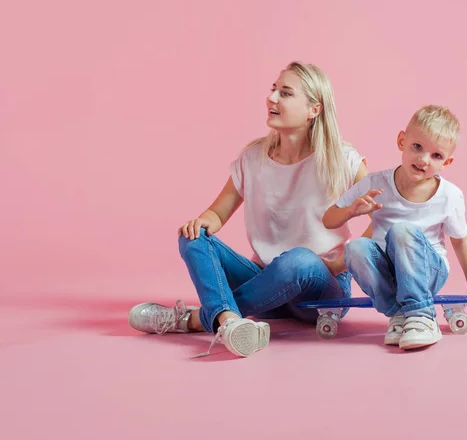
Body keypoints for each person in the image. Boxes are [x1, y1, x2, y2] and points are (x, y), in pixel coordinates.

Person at [129, 62, 368, 357]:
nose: (272, 98)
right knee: (192, 237)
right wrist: (202, 223)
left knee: (299, 260)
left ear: (313, 110)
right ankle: (229, 322)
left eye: (285, 93)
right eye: (273, 90)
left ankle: (193, 319)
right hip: (265, 284)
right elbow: (216, 214)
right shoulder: (253, 159)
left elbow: (384, 217)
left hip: (319, 294)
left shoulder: (343, 159)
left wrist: (339, 265)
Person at [323, 105, 467, 350]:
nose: (423, 160)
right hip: (389, 276)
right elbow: (329, 219)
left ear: (447, 162)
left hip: (427, 273)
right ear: (402, 141)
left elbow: (460, 241)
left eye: (436, 156)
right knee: (356, 248)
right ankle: (399, 315)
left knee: (401, 231)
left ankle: (423, 316)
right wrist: (351, 210)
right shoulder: (376, 183)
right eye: (417, 147)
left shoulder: (449, 195)